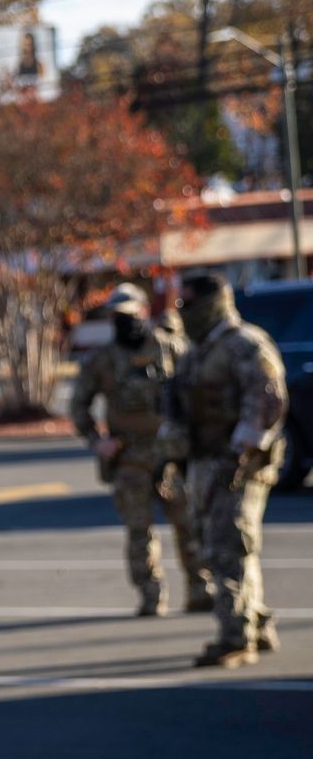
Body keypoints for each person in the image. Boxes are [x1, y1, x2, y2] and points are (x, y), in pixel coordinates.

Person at [68, 283, 209, 616]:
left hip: (170, 456)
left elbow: (196, 394)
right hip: (129, 458)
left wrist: (192, 438)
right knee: (139, 531)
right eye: (118, 316)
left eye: (130, 314)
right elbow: (78, 405)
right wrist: (97, 440)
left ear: (145, 311)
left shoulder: (171, 348)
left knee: (188, 525)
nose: (125, 321)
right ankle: (150, 594)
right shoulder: (102, 360)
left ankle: (201, 588)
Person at [171, 272, 288, 667]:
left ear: (212, 302)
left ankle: (235, 636)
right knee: (224, 544)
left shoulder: (244, 344)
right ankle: (256, 623)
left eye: (188, 304)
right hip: (207, 458)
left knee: (228, 546)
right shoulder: (200, 349)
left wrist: (241, 452)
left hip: (237, 463)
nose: (182, 312)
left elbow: (268, 400)